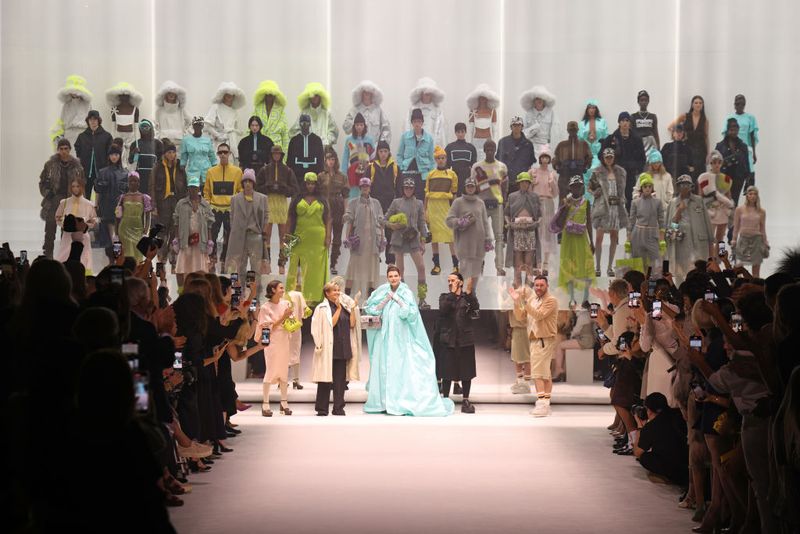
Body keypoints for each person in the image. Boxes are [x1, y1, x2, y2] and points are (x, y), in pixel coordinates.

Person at [363, 265, 454, 416]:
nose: (393, 278)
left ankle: (399, 401)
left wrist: (398, 300)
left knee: (400, 367)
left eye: (395, 276)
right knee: (384, 367)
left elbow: (410, 314)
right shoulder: (383, 290)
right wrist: (385, 300)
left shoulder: (406, 292)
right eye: (390, 276)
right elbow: (373, 309)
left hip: (401, 338)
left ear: (400, 276)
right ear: (387, 277)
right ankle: (384, 402)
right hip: (385, 337)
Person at [311, 281, 361, 416]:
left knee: (340, 381)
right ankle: (322, 409)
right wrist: (338, 309)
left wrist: (352, 309)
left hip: (342, 347)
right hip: (328, 348)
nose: (338, 293)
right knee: (325, 379)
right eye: (334, 290)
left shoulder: (344, 306)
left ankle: (338, 408)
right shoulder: (322, 308)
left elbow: (352, 324)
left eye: (338, 290)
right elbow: (330, 324)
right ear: (327, 293)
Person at [436, 273, 480, 413]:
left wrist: (469, 293)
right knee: (447, 371)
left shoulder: (467, 298)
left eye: (453, 280)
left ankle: (465, 400)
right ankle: (445, 399)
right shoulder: (444, 297)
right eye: (449, 280)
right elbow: (443, 309)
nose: (450, 283)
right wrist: (453, 293)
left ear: (460, 282)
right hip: (448, 340)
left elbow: (475, 309)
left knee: (466, 371)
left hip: (465, 340)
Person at [286, 172, 330, 306]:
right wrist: (287, 236)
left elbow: (328, 219)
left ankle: (315, 298)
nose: (310, 186)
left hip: (318, 239)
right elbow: (290, 218)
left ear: (316, 185)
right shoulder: (297, 199)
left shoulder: (322, 200)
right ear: (304, 184)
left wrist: (328, 236)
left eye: (313, 184)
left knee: (316, 269)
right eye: (308, 183)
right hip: (299, 237)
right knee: (295, 267)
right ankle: (292, 298)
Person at [386, 177, 430, 308]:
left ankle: (422, 298)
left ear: (414, 189)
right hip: (399, 239)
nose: (408, 190)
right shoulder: (396, 202)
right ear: (403, 189)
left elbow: (422, 222)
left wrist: (423, 240)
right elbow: (384, 219)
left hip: (413, 239)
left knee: (421, 267)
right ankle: (401, 298)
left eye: (410, 188)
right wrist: (392, 225)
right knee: (400, 270)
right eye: (406, 187)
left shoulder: (419, 203)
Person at [518, 276, 559, 417]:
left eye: (541, 285)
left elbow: (539, 315)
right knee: (544, 374)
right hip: (535, 339)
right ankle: (545, 404)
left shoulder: (551, 300)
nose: (538, 288)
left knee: (538, 374)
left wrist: (524, 302)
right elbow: (521, 316)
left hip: (544, 339)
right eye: (536, 285)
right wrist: (518, 301)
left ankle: (541, 404)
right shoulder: (532, 299)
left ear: (547, 286)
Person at [552, 176, 595, 304]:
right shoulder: (566, 201)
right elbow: (560, 221)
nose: (576, 188)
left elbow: (589, 222)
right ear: (570, 188)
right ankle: (572, 298)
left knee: (586, 265)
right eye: (574, 186)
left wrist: (592, 241)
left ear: (582, 187)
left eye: (579, 186)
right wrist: (566, 207)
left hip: (582, 237)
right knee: (569, 266)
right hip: (569, 237)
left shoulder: (586, 202)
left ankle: (586, 298)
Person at [39, 139, 85, 258]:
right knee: (50, 228)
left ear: (70, 149)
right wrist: (47, 193)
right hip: (54, 200)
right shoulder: (50, 165)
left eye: (66, 149)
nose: (64, 151)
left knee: (67, 230)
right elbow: (42, 182)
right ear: (58, 150)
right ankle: (48, 255)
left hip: (70, 200)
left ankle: (64, 256)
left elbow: (82, 183)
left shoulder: (77, 166)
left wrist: (80, 200)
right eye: (61, 149)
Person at [256, 280, 295, 417]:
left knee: (284, 371)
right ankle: (265, 404)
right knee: (270, 370)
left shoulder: (286, 304)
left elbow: (290, 320)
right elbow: (268, 328)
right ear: (273, 290)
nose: (283, 290)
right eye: (280, 288)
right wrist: (284, 316)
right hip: (272, 342)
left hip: (284, 340)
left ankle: (284, 402)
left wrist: (291, 319)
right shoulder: (265, 308)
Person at [256, 145, 297, 274]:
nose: (276, 156)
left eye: (278, 154)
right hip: (268, 201)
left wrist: (283, 188)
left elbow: (294, 189)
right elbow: (257, 187)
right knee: (266, 234)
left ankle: (282, 263)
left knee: (284, 236)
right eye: (274, 153)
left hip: (282, 202)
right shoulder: (264, 169)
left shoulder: (288, 170)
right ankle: (266, 262)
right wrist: (268, 187)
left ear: (282, 155)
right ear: (271, 155)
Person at [446, 176, 493, 291]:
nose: (470, 188)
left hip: (479, 243)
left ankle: (472, 293)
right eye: (468, 186)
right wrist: (460, 222)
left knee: (476, 270)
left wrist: (488, 238)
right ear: (465, 188)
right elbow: (449, 220)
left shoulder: (480, 203)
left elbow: (485, 222)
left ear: (475, 188)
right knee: (464, 269)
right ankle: (460, 293)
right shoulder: (458, 202)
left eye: (472, 186)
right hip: (464, 243)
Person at [632, 392, 689, 486]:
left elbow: (638, 452)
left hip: (671, 468)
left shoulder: (651, 427)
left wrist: (639, 427)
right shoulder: (679, 414)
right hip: (687, 462)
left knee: (644, 458)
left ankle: (666, 477)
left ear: (649, 410)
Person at [665, 175, 715, 279]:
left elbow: (707, 222)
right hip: (681, 244)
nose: (685, 187)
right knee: (681, 274)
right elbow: (671, 230)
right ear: (678, 187)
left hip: (699, 242)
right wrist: (679, 211)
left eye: (687, 185)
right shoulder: (673, 203)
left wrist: (711, 245)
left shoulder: (698, 201)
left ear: (691, 186)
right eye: (682, 185)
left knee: (701, 272)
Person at [203, 143, 243, 272]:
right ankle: (212, 258)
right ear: (217, 154)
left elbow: (240, 190)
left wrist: (237, 205)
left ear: (229, 153)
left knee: (229, 236)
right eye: (220, 152)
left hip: (230, 209)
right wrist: (208, 205)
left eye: (225, 152)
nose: (223, 155)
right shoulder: (211, 171)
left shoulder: (237, 171)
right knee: (212, 235)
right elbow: (206, 191)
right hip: (214, 209)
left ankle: (225, 259)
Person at [470, 140, 508, 275]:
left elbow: (505, 186)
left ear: (495, 150)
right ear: (484, 150)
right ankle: (479, 265)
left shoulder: (502, 167)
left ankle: (499, 267)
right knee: (480, 236)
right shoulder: (477, 167)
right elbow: (472, 186)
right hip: (481, 206)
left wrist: (503, 200)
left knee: (499, 236)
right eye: (488, 149)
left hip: (497, 205)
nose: (490, 151)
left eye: (492, 149)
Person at [589, 147, 628, 277]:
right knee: (599, 237)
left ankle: (610, 267)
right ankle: (597, 266)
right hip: (602, 207)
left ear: (614, 157)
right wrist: (595, 192)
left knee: (614, 237)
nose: (609, 159)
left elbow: (622, 190)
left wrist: (621, 199)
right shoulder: (597, 172)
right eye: (607, 157)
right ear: (603, 158)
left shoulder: (621, 172)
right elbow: (589, 187)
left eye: (611, 157)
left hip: (615, 208)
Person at [343, 177, 384, 297]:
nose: (365, 188)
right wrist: (347, 237)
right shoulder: (353, 202)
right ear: (360, 188)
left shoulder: (376, 203)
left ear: (370, 188)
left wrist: (382, 239)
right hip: (358, 240)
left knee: (372, 266)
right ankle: (347, 294)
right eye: (363, 186)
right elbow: (349, 221)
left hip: (373, 240)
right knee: (353, 267)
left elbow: (381, 221)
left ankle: (370, 295)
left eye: (367, 186)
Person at [150, 141, 186, 270]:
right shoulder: (158, 167)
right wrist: (153, 205)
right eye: (169, 152)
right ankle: (162, 255)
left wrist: (185, 203)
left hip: (176, 200)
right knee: (161, 230)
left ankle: (172, 254)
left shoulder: (180, 167)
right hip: (162, 201)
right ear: (165, 154)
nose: (171, 155)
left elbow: (185, 185)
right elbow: (152, 186)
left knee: (174, 228)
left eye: (173, 152)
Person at [226, 168, 269, 276]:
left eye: (250, 181)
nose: (248, 184)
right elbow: (232, 216)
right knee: (239, 265)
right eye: (245, 181)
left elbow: (266, 216)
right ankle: (240, 287)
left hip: (255, 235)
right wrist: (235, 231)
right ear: (242, 183)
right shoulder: (235, 199)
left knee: (256, 267)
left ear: (254, 183)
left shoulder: (262, 198)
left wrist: (263, 231)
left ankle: (254, 287)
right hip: (239, 236)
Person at [173, 176, 215, 287]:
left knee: (201, 269)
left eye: (195, 187)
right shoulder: (181, 204)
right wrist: (176, 239)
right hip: (185, 240)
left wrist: (210, 241)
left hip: (200, 242)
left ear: (198, 189)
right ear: (188, 188)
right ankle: (181, 291)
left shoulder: (205, 205)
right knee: (181, 268)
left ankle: (200, 290)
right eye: (191, 187)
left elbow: (209, 224)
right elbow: (176, 222)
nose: (193, 190)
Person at [601, 112, 646, 211]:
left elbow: (642, 158)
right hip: (615, 174)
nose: (625, 123)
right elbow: (601, 154)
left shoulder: (637, 139)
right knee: (614, 197)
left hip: (630, 173)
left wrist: (637, 169)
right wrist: (608, 168)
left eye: (627, 120)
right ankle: (614, 217)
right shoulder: (611, 139)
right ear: (619, 122)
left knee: (630, 197)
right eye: (622, 120)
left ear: (630, 123)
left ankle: (630, 217)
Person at [425, 146, 459, 275]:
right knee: (434, 238)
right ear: (435, 160)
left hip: (446, 207)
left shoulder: (452, 175)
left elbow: (454, 193)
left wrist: (454, 210)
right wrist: (424, 210)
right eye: (438, 158)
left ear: (446, 159)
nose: (441, 160)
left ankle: (456, 266)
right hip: (433, 208)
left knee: (450, 237)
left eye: (443, 158)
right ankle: (436, 265)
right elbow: (426, 194)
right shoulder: (431, 175)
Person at [504, 171, 541, 288]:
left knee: (529, 261)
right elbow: (507, 213)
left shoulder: (534, 197)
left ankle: (529, 285)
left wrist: (536, 223)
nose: (524, 184)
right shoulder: (512, 196)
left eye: (526, 182)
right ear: (519, 183)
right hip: (517, 231)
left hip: (530, 231)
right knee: (518, 261)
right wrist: (510, 224)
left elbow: (540, 215)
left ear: (529, 183)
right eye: (522, 182)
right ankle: (518, 284)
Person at [54, 176, 97, 271]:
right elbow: (58, 217)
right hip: (67, 235)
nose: (75, 188)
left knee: (84, 259)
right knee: (64, 257)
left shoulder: (89, 204)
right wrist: (65, 224)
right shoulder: (64, 202)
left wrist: (84, 225)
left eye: (78, 186)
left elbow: (93, 219)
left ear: (82, 187)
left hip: (83, 236)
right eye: (73, 186)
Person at [318, 148, 350, 275]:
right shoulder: (320, 176)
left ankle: (333, 264)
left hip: (338, 206)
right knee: (323, 236)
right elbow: (316, 194)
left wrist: (346, 211)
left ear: (336, 161)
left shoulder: (342, 176)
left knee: (337, 237)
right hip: (324, 206)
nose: (330, 161)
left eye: (333, 159)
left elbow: (346, 195)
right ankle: (322, 263)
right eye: (328, 159)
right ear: (325, 160)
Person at [697, 151, 734, 256]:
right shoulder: (704, 177)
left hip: (723, 210)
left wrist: (728, 206)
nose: (716, 165)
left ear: (721, 163)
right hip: (710, 210)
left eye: (719, 162)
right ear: (710, 163)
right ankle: (710, 257)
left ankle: (721, 256)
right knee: (710, 236)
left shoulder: (726, 179)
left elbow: (728, 195)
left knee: (721, 238)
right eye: (714, 162)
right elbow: (701, 195)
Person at [627, 174, 666, 273]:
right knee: (639, 262)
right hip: (638, 234)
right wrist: (628, 239)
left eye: (649, 186)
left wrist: (662, 239)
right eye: (645, 186)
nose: (647, 188)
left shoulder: (658, 202)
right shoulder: (635, 202)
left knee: (655, 261)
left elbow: (661, 220)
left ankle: (653, 281)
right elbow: (631, 221)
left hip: (652, 233)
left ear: (652, 188)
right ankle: (641, 281)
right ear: (641, 188)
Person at [530, 148, 559, 274]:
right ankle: (536, 262)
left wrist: (552, 183)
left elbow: (556, 193)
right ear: (540, 159)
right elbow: (529, 190)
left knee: (547, 232)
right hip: (536, 202)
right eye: (543, 157)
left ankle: (545, 263)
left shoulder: (552, 174)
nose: (545, 159)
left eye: (547, 157)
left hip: (548, 202)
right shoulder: (533, 172)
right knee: (536, 232)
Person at [94, 143, 128, 252]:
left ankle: (117, 254)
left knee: (118, 234)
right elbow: (98, 191)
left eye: (116, 154)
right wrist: (96, 205)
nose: (114, 157)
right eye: (112, 154)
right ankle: (114, 255)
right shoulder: (102, 172)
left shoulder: (125, 173)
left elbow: (127, 193)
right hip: (106, 206)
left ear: (120, 156)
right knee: (111, 234)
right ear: (108, 156)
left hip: (120, 207)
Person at [397, 108, 434, 200]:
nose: (417, 124)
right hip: (407, 172)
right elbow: (399, 155)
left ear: (422, 123)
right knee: (406, 199)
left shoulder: (429, 138)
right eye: (415, 121)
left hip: (423, 174)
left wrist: (431, 174)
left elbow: (432, 158)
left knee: (421, 198)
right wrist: (401, 168)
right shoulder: (405, 137)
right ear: (412, 123)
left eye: (419, 121)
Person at [74, 109, 113, 199]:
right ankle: (86, 208)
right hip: (86, 172)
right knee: (85, 196)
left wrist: (107, 167)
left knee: (101, 196)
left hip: (101, 171)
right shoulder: (82, 136)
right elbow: (77, 149)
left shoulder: (107, 136)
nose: (93, 121)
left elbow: (110, 153)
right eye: (90, 119)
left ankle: (99, 208)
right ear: (88, 121)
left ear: (98, 120)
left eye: (95, 119)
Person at [552, 302, 595, 382]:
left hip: (584, 341)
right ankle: (564, 371)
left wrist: (571, 337)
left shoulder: (582, 316)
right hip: (587, 340)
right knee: (564, 347)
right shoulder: (587, 315)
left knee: (560, 346)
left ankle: (558, 370)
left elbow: (576, 331)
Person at [669, 95, 708, 182]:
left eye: (700, 103)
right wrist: (677, 136)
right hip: (687, 149)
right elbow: (670, 127)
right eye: (696, 103)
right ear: (692, 104)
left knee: (700, 176)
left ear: (702, 105)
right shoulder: (685, 116)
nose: (698, 105)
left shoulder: (705, 120)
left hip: (700, 151)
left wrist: (708, 154)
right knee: (688, 174)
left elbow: (706, 137)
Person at [721, 94, 758, 186]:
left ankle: (748, 193)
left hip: (745, 148)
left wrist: (754, 152)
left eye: (742, 104)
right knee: (733, 174)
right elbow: (726, 135)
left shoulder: (750, 117)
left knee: (750, 174)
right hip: (732, 149)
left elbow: (752, 135)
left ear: (745, 104)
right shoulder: (729, 118)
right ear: (734, 105)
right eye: (737, 104)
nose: (740, 106)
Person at [732, 186, 769, 277]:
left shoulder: (761, 211)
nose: (753, 196)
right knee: (738, 266)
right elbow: (736, 227)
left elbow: (762, 229)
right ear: (747, 195)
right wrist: (734, 240)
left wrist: (765, 242)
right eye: (750, 194)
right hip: (743, 239)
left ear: (757, 196)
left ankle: (756, 284)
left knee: (756, 267)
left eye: (755, 194)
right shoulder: (739, 209)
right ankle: (738, 283)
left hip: (757, 240)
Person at [116, 171, 153, 261]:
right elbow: (117, 216)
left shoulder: (144, 197)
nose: (133, 183)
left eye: (135, 181)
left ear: (139, 183)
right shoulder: (122, 197)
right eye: (131, 181)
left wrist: (146, 230)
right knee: (126, 255)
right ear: (128, 183)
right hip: (124, 229)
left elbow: (148, 215)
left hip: (138, 230)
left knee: (138, 254)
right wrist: (116, 233)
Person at [553, 121, 592, 203]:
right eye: (571, 130)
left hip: (578, 174)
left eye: (574, 130)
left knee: (578, 200)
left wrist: (585, 167)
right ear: (567, 130)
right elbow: (555, 159)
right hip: (564, 175)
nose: (573, 132)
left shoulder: (583, 144)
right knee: (563, 202)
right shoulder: (562, 145)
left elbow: (589, 158)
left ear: (577, 130)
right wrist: (558, 167)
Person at [205, 81, 246, 160]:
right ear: (223, 95)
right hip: (218, 144)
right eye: (227, 94)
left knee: (230, 164)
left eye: (232, 95)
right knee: (217, 163)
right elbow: (207, 125)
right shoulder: (216, 107)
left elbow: (235, 129)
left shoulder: (234, 112)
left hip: (231, 145)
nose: (229, 96)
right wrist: (218, 135)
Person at [290, 82, 338, 147]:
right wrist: (304, 141)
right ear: (308, 97)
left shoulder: (326, 114)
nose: (314, 97)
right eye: (312, 95)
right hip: (307, 150)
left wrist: (326, 142)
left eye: (316, 95)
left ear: (321, 97)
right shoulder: (304, 113)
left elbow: (333, 132)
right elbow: (293, 132)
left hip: (323, 149)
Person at [715, 117, 751, 205]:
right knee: (724, 201)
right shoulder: (720, 146)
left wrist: (748, 180)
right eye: (731, 130)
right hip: (724, 177)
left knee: (734, 201)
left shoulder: (743, 146)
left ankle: (734, 214)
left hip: (738, 177)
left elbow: (747, 163)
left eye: (736, 130)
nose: (734, 132)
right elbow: (715, 163)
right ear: (727, 130)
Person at [342, 80, 391, 144]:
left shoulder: (378, 110)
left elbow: (386, 128)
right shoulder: (354, 110)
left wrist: (382, 143)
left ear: (373, 94)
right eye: (365, 92)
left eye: (369, 92)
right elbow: (346, 128)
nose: (367, 94)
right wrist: (356, 122)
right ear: (360, 94)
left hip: (374, 147)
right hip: (357, 147)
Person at [51, 75, 92, 149]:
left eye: (76, 91)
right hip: (69, 135)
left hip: (83, 134)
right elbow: (62, 121)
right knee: (70, 154)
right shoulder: (66, 105)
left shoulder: (87, 104)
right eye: (72, 91)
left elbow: (92, 121)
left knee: (83, 154)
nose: (74, 93)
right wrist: (59, 136)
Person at [497, 116, 536, 195]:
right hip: (506, 181)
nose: (517, 127)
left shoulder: (528, 144)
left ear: (522, 127)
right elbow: (498, 162)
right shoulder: (503, 142)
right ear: (511, 127)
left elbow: (530, 164)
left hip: (522, 182)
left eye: (519, 125)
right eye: (514, 125)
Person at [106, 81, 142, 166]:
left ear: (130, 96)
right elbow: (113, 127)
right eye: (121, 95)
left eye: (126, 95)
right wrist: (112, 142)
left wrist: (137, 143)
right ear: (118, 96)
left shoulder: (135, 109)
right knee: (118, 161)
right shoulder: (114, 109)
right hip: (118, 137)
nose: (124, 97)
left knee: (131, 161)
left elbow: (136, 127)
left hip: (131, 138)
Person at [405, 77, 447, 148]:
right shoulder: (413, 109)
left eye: (429, 93)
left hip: (432, 145)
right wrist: (409, 144)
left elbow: (441, 131)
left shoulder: (437, 110)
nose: (427, 95)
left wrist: (440, 148)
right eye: (425, 93)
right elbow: (407, 127)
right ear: (421, 93)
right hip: (416, 145)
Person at [341, 113, 376, 198]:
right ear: (354, 126)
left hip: (366, 172)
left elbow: (373, 157)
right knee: (353, 196)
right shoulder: (349, 140)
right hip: (353, 172)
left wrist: (374, 172)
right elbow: (345, 157)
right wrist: (344, 175)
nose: (359, 127)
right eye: (357, 125)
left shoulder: (370, 140)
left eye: (361, 125)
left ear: (364, 126)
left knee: (365, 195)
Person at [520, 85, 560, 156]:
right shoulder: (528, 113)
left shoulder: (551, 113)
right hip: (530, 145)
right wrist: (533, 129)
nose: (539, 101)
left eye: (541, 99)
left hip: (545, 146)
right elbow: (522, 133)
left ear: (544, 100)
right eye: (537, 99)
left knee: (544, 161)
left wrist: (553, 148)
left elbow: (555, 132)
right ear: (533, 101)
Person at [128, 119, 164, 197]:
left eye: (146, 127)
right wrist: (134, 153)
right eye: (142, 127)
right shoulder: (135, 144)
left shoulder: (157, 144)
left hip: (154, 176)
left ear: (150, 128)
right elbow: (130, 161)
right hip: (140, 177)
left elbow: (162, 161)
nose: (144, 129)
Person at [577, 99, 608, 186]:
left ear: (596, 109)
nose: (591, 110)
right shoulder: (582, 124)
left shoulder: (602, 122)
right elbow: (579, 139)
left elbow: (605, 137)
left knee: (598, 175)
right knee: (586, 175)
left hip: (599, 153)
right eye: (590, 108)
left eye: (593, 108)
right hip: (586, 154)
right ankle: (587, 194)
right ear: (587, 109)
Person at [154, 80, 191, 152]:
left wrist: (184, 134)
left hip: (179, 144)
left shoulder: (181, 110)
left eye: (173, 93)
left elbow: (190, 123)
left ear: (177, 95)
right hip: (163, 144)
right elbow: (154, 125)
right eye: (169, 93)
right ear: (165, 95)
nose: (171, 95)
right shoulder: (159, 111)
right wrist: (159, 136)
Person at [287, 113, 325, 182]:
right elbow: (289, 160)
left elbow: (321, 159)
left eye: (307, 123)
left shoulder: (317, 140)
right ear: (299, 124)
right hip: (297, 176)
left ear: (310, 124)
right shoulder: (294, 141)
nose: (304, 125)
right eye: (302, 123)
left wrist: (320, 174)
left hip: (314, 176)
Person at [466, 83, 500, 160]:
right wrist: (469, 144)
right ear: (477, 98)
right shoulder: (473, 110)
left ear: (488, 98)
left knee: (488, 161)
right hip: (476, 140)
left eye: (485, 98)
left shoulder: (492, 111)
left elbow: (495, 130)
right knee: (476, 160)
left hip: (488, 140)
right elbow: (470, 130)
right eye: (481, 98)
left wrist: (494, 143)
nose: (483, 100)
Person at [180, 117, 217, 186]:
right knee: (193, 189)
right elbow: (184, 155)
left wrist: (215, 165)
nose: (198, 127)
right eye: (196, 125)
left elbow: (212, 155)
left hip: (206, 170)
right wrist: (182, 165)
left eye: (200, 125)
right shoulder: (186, 140)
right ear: (193, 126)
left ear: (202, 126)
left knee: (206, 190)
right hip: (192, 171)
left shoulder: (207, 140)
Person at [445, 122, 478, 194]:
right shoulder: (450, 147)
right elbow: (446, 166)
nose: (460, 134)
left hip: (467, 179)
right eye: (458, 132)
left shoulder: (471, 148)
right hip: (454, 178)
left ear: (465, 132)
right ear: (455, 133)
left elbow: (474, 166)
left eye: (462, 132)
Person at [660, 123, 692, 189]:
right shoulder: (666, 146)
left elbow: (691, 166)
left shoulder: (687, 148)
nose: (678, 133)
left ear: (683, 133)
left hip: (683, 180)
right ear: (673, 133)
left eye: (680, 131)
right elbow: (661, 163)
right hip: (669, 178)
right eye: (677, 131)